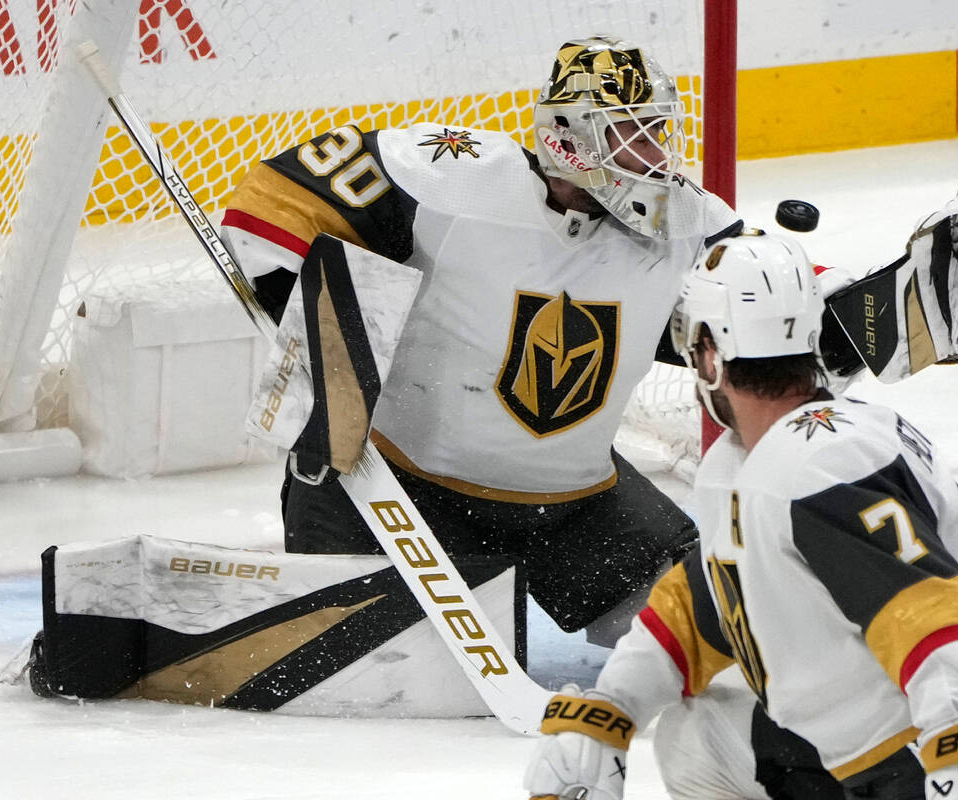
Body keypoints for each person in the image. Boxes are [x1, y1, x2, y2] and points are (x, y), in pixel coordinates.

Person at [524, 231, 958, 800]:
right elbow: (707, 603)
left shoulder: (814, 464)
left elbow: (928, 608)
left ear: (709, 356)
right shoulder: (752, 459)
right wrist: (611, 709)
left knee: (714, 734)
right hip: (934, 714)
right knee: (702, 737)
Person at [221, 35, 745, 644]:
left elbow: (774, 300)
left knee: (710, 637)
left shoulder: (688, 222)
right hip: (398, 493)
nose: (655, 155)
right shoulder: (449, 178)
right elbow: (267, 208)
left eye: (658, 131)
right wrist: (324, 342)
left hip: (573, 507)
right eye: (630, 133)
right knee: (375, 677)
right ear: (569, 138)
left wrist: (852, 308)